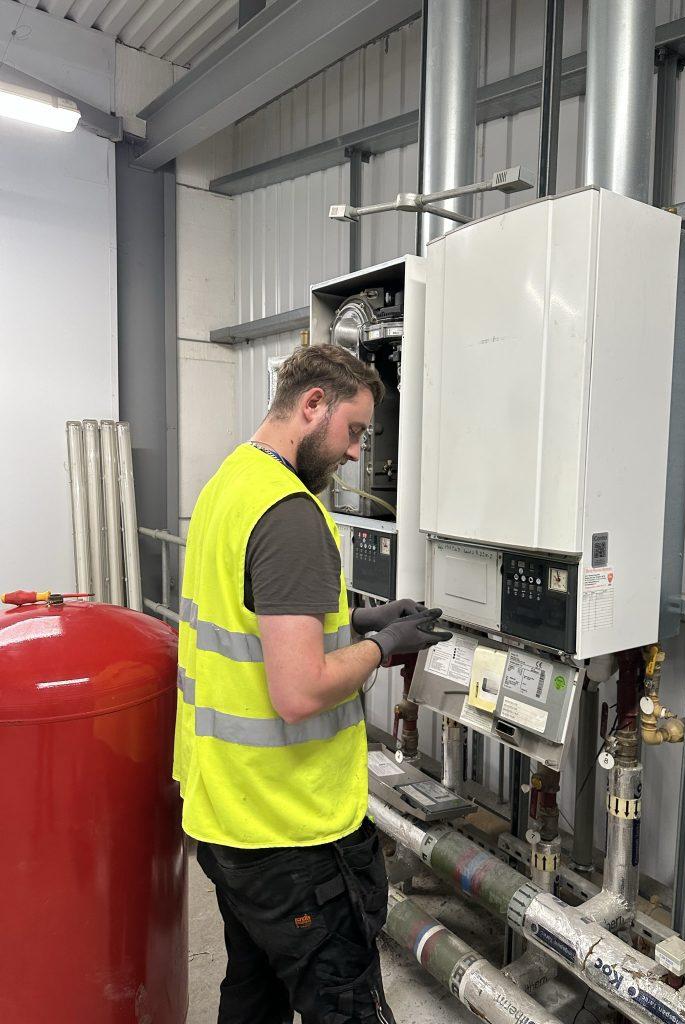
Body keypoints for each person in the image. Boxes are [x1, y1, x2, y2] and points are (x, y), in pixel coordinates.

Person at [173, 343, 451, 1023]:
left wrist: (356, 617)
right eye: (353, 431)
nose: (357, 453)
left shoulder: (229, 485)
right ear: (313, 404)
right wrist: (384, 648)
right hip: (290, 832)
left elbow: (255, 614)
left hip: (226, 816)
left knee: (253, 995)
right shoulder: (292, 514)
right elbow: (298, 690)